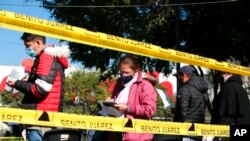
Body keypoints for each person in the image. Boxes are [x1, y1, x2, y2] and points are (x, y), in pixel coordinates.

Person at [6, 32, 70, 141]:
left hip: (39, 119)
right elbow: (46, 82)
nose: (26, 50)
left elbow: (41, 89)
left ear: (38, 43)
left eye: (28, 46)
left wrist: (16, 83)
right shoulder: (51, 57)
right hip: (48, 118)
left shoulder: (45, 57)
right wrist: (30, 79)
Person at [108, 54, 157, 141]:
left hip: (135, 136)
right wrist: (109, 103)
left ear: (136, 71)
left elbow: (150, 110)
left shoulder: (146, 86)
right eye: (121, 72)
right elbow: (116, 104)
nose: (123, 75)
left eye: (127, 72)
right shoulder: (118, 84)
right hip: (115, 132)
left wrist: (128, 108)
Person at [211, 72, 250, 141]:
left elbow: (225, 114)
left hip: (227, 132)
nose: (222, 76)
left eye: (224, 73)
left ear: (230, 74)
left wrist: (218, 135)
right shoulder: (240, 88)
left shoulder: (228, 87)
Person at [173, 65, 209, 141]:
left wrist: (176, 116)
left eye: (179, 76)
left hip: (186, 131)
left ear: (185, 75)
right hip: (198, 131)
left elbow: (182, 113)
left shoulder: (184, 89)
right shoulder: (203, 91)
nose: (178, 79)